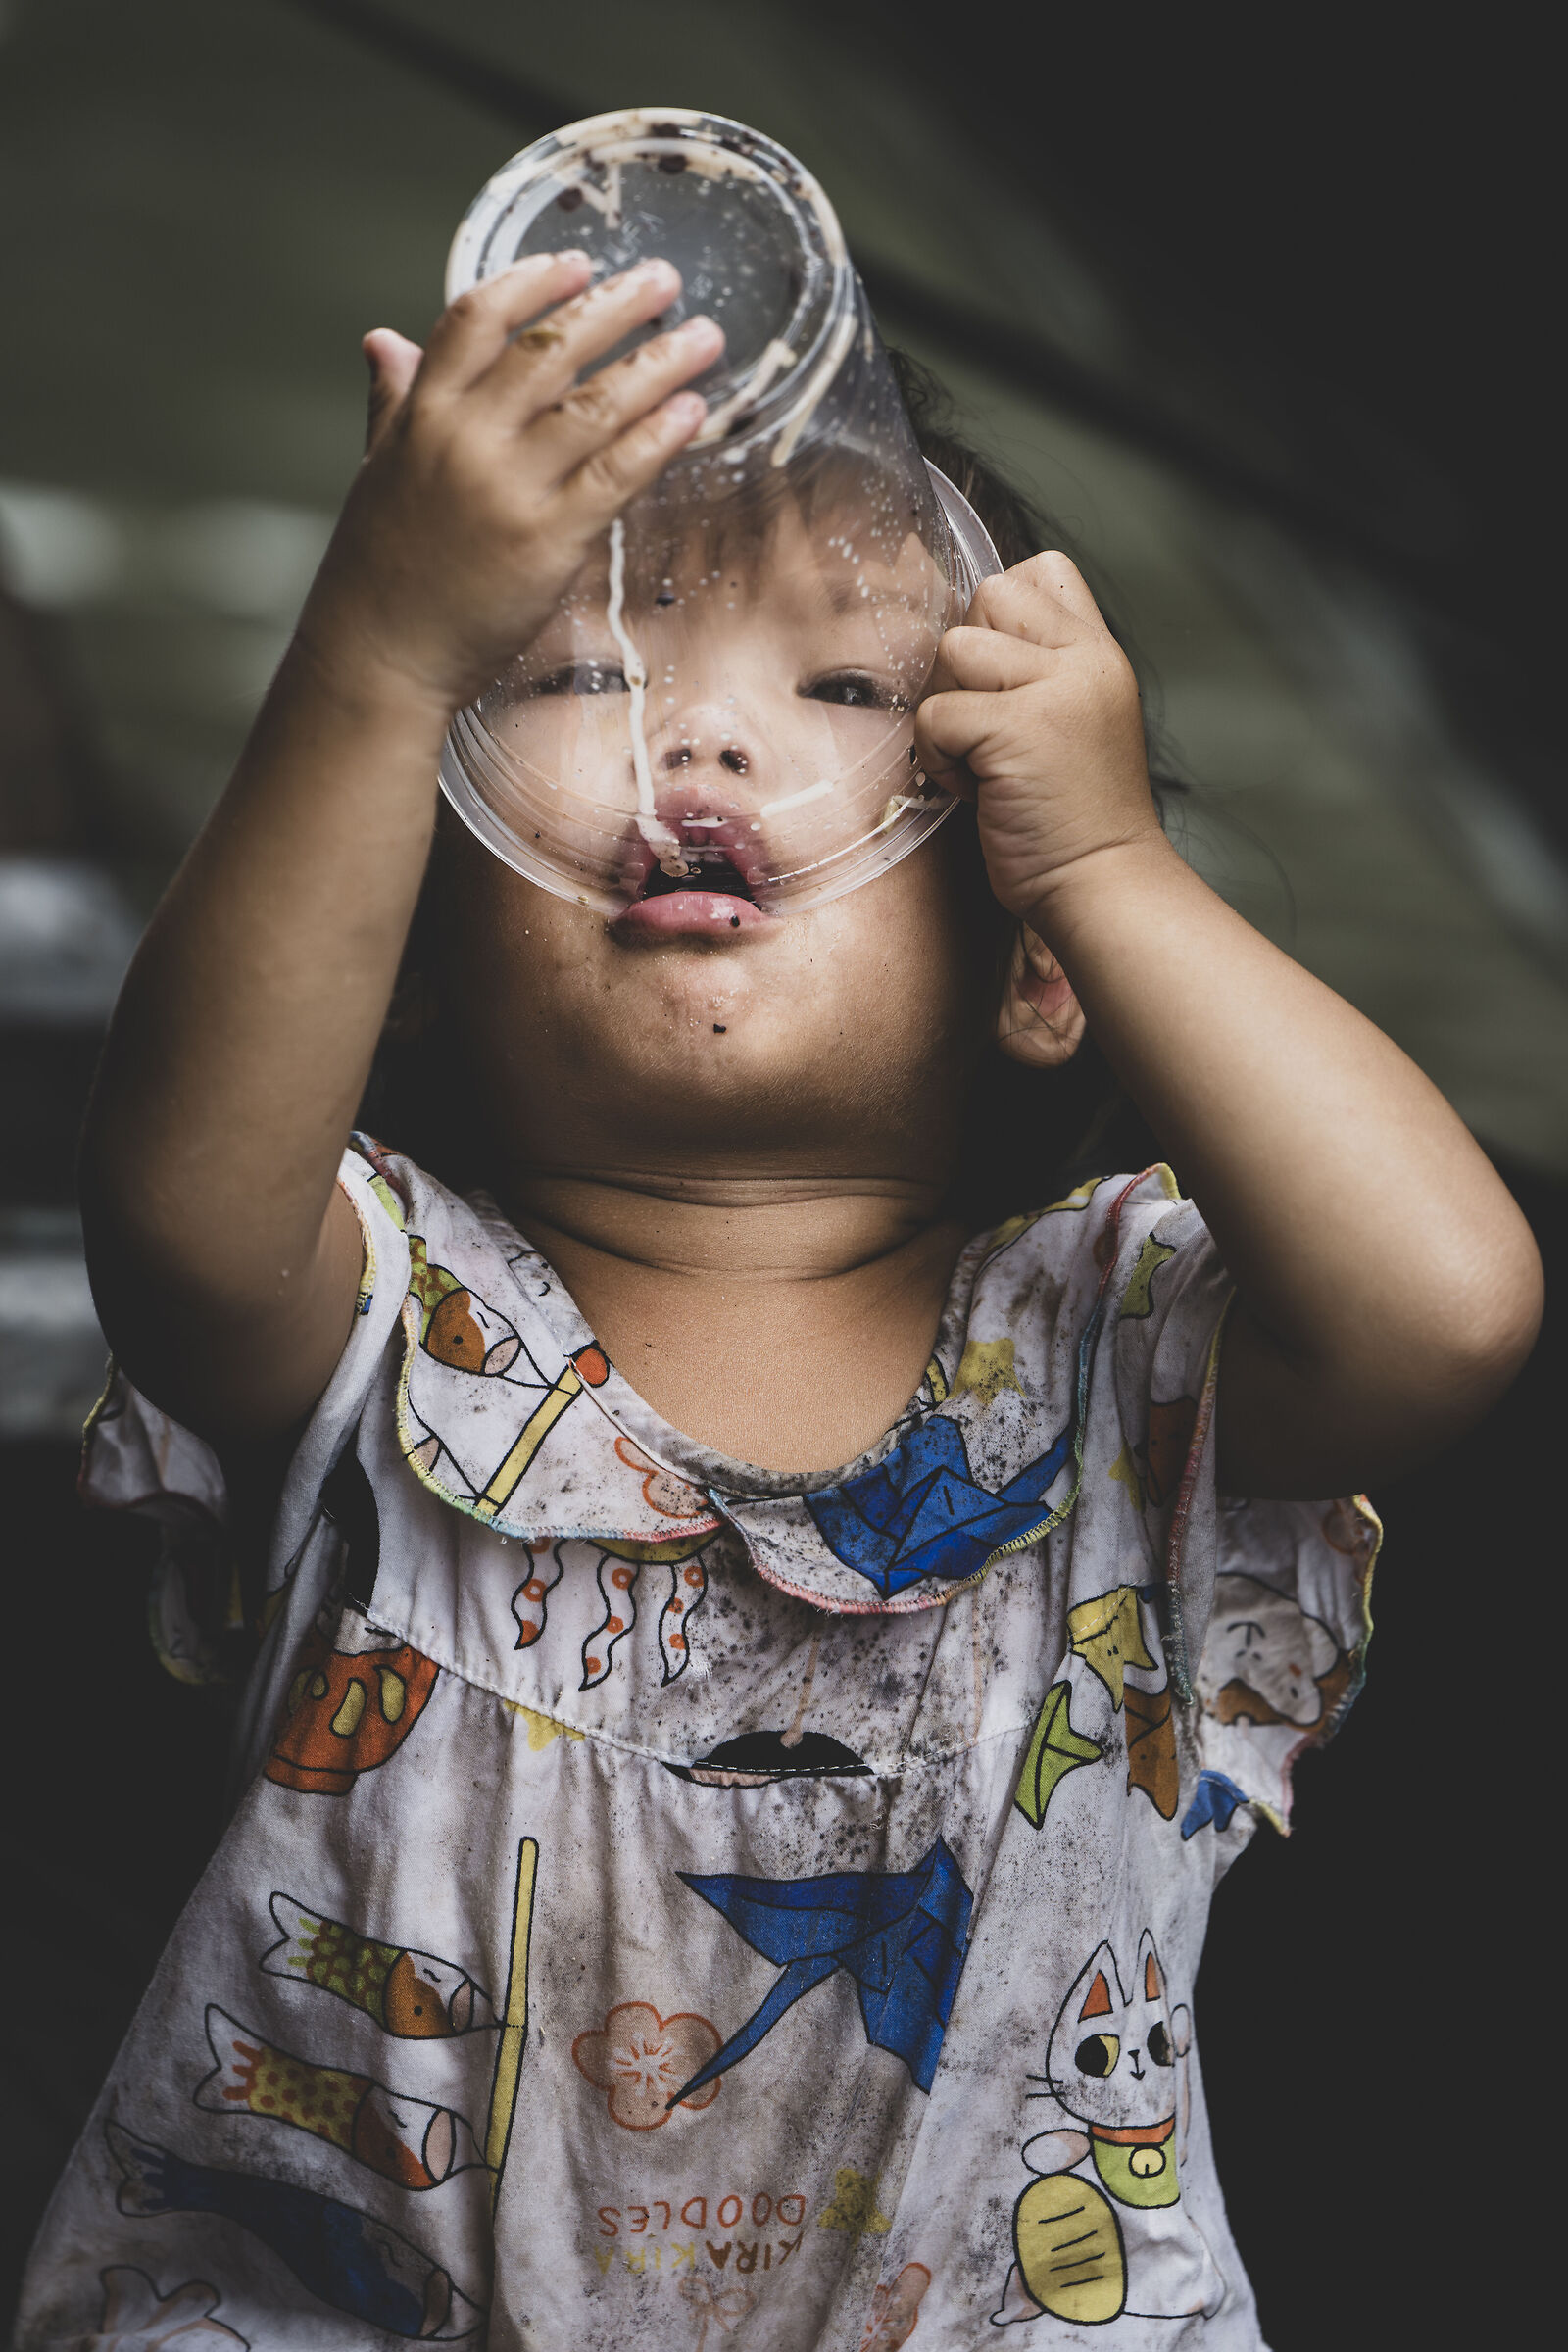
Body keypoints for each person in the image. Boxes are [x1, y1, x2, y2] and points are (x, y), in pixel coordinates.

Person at [17, 247, 1540, 2349]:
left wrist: (1111, 867)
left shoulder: (1112, 1351)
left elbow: (1443, 1305)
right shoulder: (382, 1309)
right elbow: (178, 1207)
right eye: (568, 678)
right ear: (423, 938)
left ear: (1027, 967)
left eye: (844, 691)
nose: (697, 730)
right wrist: (376, 652)